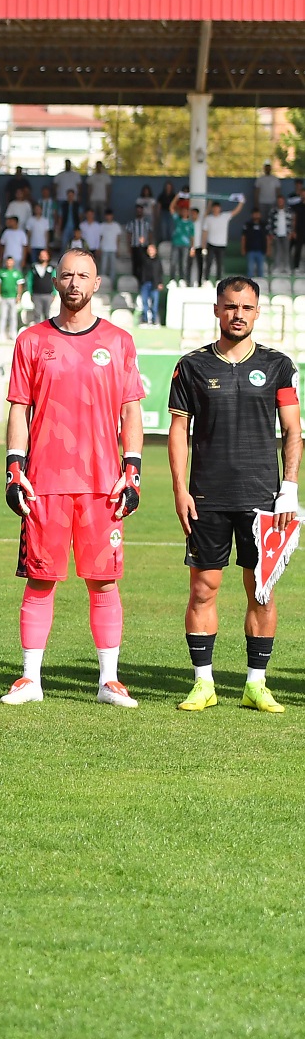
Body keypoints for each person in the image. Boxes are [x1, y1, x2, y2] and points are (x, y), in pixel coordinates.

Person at [1, 248, 145, 709]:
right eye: (67, 275)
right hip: (44, 482)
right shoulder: (31, 340)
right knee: (41, 580)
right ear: (55, 281)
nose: (75, 283)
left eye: (83, 275)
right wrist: (14, 467)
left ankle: (109, 681)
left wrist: (133, 467)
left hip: (104, 483)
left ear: (97, 283)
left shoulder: (120, 342)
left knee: (104, 582)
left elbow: (131, 410)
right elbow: (19, 408)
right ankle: (30, 680)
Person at [167, 277, 302, 713]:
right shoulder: (191, 366)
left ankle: (255, 684)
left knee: (261, 591)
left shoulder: (279, 365)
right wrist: (180, 488)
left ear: (257, 312)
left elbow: (293, 431)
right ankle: (203, 684)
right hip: (207, 496)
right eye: (230, 306)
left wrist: (290, 490)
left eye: (246, 307)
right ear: (216, 310)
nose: (238, 314)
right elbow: (178, 432)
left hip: (265, 498)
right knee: (203, 589)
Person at [203, 195, 245, 282]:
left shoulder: (225, 216)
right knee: (208, 263)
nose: (215, 210)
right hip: (211, 244)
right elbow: (205, 232)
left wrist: (241, 202)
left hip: (221, 244)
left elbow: (236, 211)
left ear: (220, 209)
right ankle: (206, 280)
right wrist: (204, 246)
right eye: (214, 208)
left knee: (220, 264)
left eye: (217, 208)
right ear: (212, 209)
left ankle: (218, 280)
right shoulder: (208, 218)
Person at [0, 256, 24, 341]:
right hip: (4, 297)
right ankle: (1, 333)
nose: (9, 263)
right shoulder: (1, 272)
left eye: (11, 262)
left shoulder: (17, 273)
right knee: (3, 316)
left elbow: (19, 285)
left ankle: (13, 333)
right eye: (8, 262)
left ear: (13, 263)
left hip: (13, 297)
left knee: (13, 316)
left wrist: (19, 295)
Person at [28, 247, 57, 323]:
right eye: (41, 255)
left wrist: (54, 293)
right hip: (37, 294)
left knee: (47, 315)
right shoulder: (34, 268)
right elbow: (29, 280)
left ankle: (46, 332)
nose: (43, 257)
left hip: (48, 295)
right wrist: (30, 292)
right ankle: (37, 332)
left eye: (45, 255)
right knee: (37, 314)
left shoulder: (51, 268)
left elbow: (55, 280)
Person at [138, 242, 162, 324]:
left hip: (155, 284)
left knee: (154, 303)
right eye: (149, 250)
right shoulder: (145, 259)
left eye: (152, 250)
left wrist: (160, 283)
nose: (151, 251)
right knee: (144, 302)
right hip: (145, 283)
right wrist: (141, 244)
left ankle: (154, 319)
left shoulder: (158, 261)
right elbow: (140, 253)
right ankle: (144, 319)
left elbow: (160, 272)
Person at [98, 208, 122, 283]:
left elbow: (118, 239)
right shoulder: (102, 225)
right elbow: (100, 238)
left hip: (113, 249)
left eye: (110, 215)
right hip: (104, 249)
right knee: (103, 267)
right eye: (107, 215)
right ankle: (102, 283)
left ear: (112, 216)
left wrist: (118, 249)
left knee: (113, 268)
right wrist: (99, 248)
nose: (108, 217)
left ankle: (111, 283)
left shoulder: (116, 225)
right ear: (105, 216)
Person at [244, 217, 269, 281]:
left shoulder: (263, 225)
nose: (256, 215)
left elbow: (267, 238)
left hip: (261, 251)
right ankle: (249, 284)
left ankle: (261, 284)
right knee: (250, 269)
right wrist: (243, 248)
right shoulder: (248, 225)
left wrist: (268, 249)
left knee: (261, 269)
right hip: (250, 250)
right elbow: (243, 237)